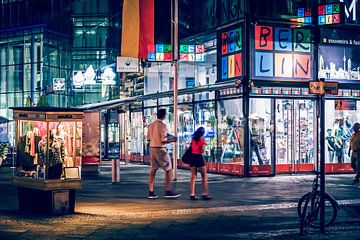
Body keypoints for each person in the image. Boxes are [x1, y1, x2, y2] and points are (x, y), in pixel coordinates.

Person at [147, 108, 181, 199]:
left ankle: (151, 191)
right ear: (164, 116)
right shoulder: (163, 126)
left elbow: (148, 138)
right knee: (168, 169)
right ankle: (168, 190)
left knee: (153, 170)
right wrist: (172, 140)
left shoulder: (151, 125)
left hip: (152, 148)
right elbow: (163, 140)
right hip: (160, 149)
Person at [189, 127, 211, 200]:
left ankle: (192, 194)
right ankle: (204, 193)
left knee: (193, 176)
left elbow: (190, 148)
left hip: (192, 158)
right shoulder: (202, 139)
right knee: (204, 176)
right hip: (199, 158)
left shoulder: (193, 139)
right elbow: (202, 150)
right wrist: (204, 146)